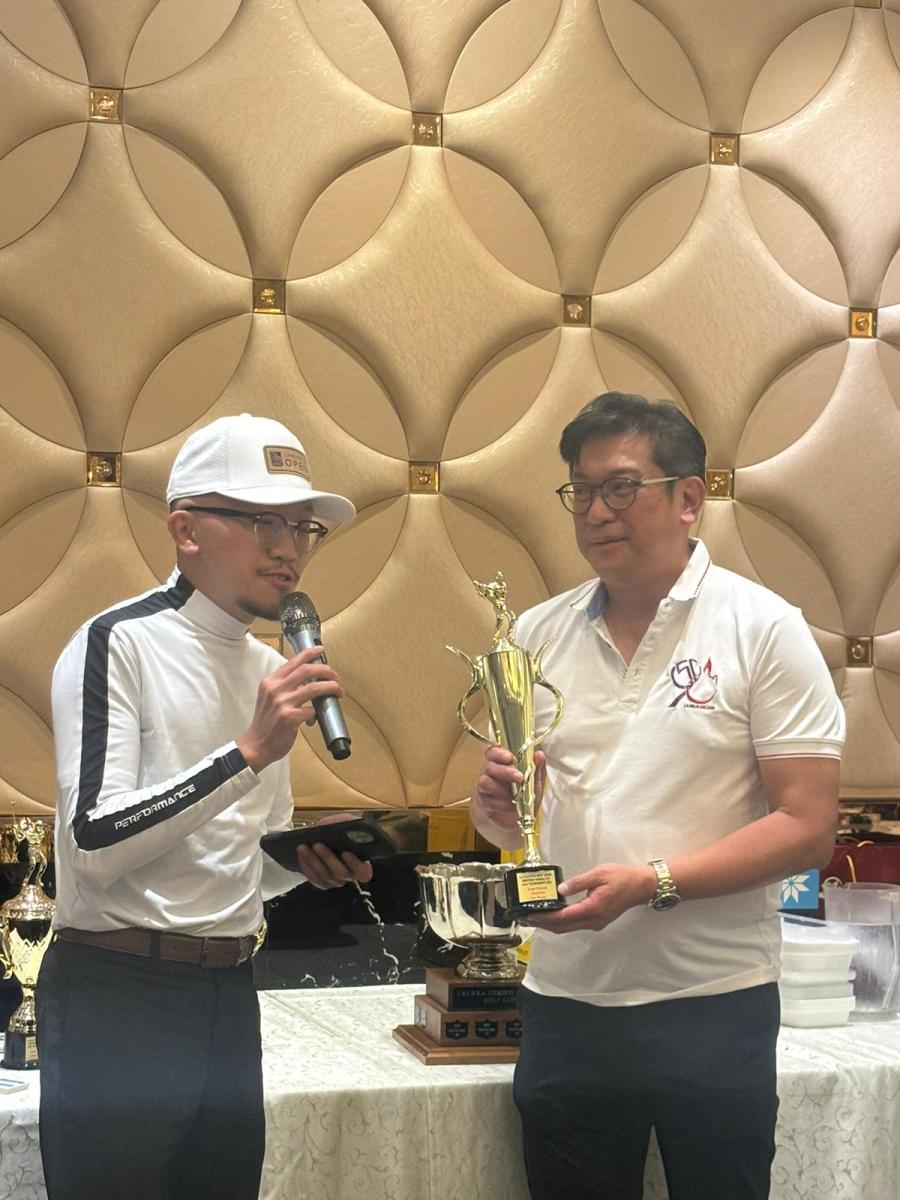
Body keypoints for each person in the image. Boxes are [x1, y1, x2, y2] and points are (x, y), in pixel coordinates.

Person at [471, 393, 844, 1200]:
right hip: (565, 1001)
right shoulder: (534, 634)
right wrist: (495, 807)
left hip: (711, 1002)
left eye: (620, 487)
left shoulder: (763, 628)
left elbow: (809, 826)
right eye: (581, 491)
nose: (596, 512)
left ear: (688, 498)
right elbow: (511, 825)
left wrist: (652, 882)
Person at [38, 412, 373, 1200]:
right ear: (185, 530)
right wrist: (246, 753)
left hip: (228, 992)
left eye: (303, 526)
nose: (289, 548)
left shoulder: (267, 666)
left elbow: (239, 864)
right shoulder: (117, 643)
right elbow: (93, 841)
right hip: (118, 996)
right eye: (262, 521)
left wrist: (308, 868)